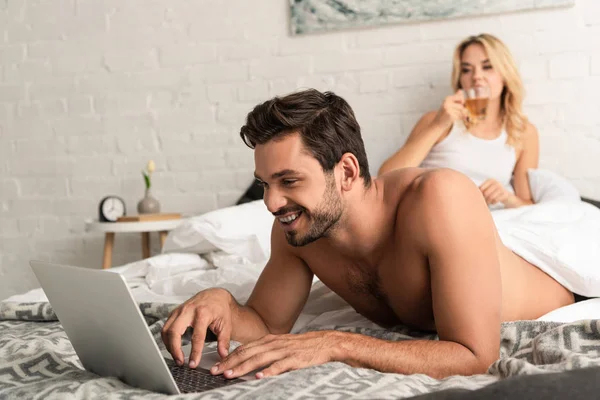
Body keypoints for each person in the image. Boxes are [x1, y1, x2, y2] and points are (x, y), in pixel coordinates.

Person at [162, 89, 573, 381]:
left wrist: (336, 344)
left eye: (288, 180)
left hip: (549, 281)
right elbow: (267, 322)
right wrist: (222, 303)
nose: (271, 202)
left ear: (347, 172)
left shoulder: (439, 197)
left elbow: (474, 355)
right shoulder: (299, 229)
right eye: (265, 183)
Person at [378, 33, 539, 209]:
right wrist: (438, 125)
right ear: (460, 79)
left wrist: (507, 198)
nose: (476, 76)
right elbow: (386, 178)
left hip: (489, 221)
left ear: (505, 75)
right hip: (436, 215)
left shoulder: (523, 132)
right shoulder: (436, 120)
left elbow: (528, 205)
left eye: (487, 67)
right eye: (466, 69)